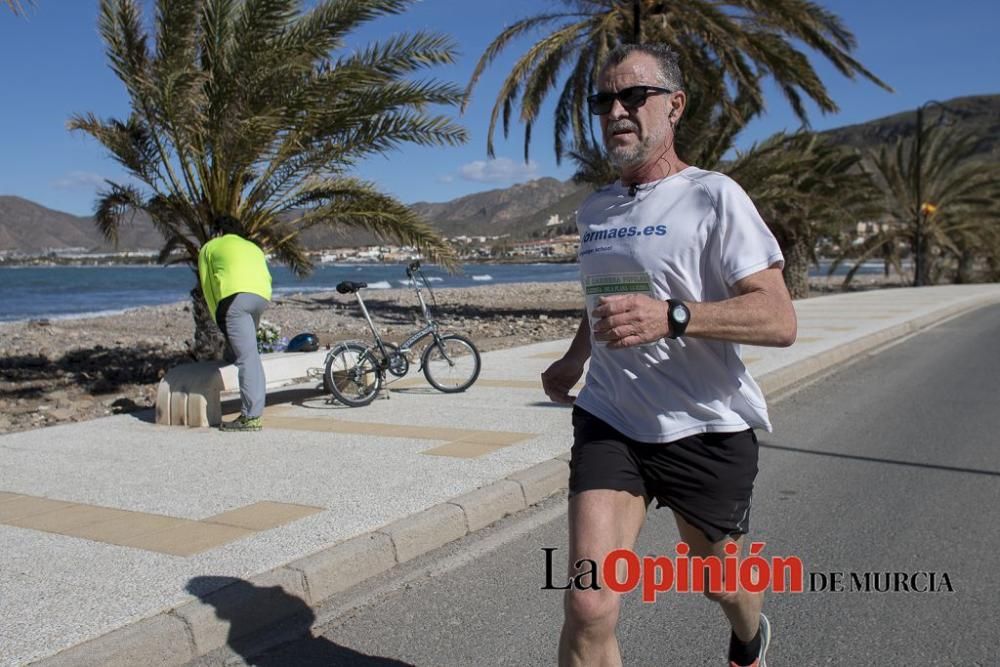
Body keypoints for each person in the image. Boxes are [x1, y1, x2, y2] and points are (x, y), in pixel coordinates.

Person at [541, 43, 797, 667]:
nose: (617, 111)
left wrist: (676, 317)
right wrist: (577, 359)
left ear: (674, 106)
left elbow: (779, 318)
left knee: (723, 585)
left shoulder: (714, 196)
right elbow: (604, 297)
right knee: (589, 606)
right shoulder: (596, 209)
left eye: (635, 96)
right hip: (612, 418)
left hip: (703, 424)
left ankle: (749, 638)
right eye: (604, 101)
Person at [198, 215, 273, 432]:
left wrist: (219, 319)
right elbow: (266, 277)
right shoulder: (254, 248)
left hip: (234, 299)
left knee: (246, 358)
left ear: (218, 231)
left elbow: (208, 286)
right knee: (252, 356)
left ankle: (251, 417)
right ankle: (254, 411)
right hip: (261, 296)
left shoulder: (211, 246)